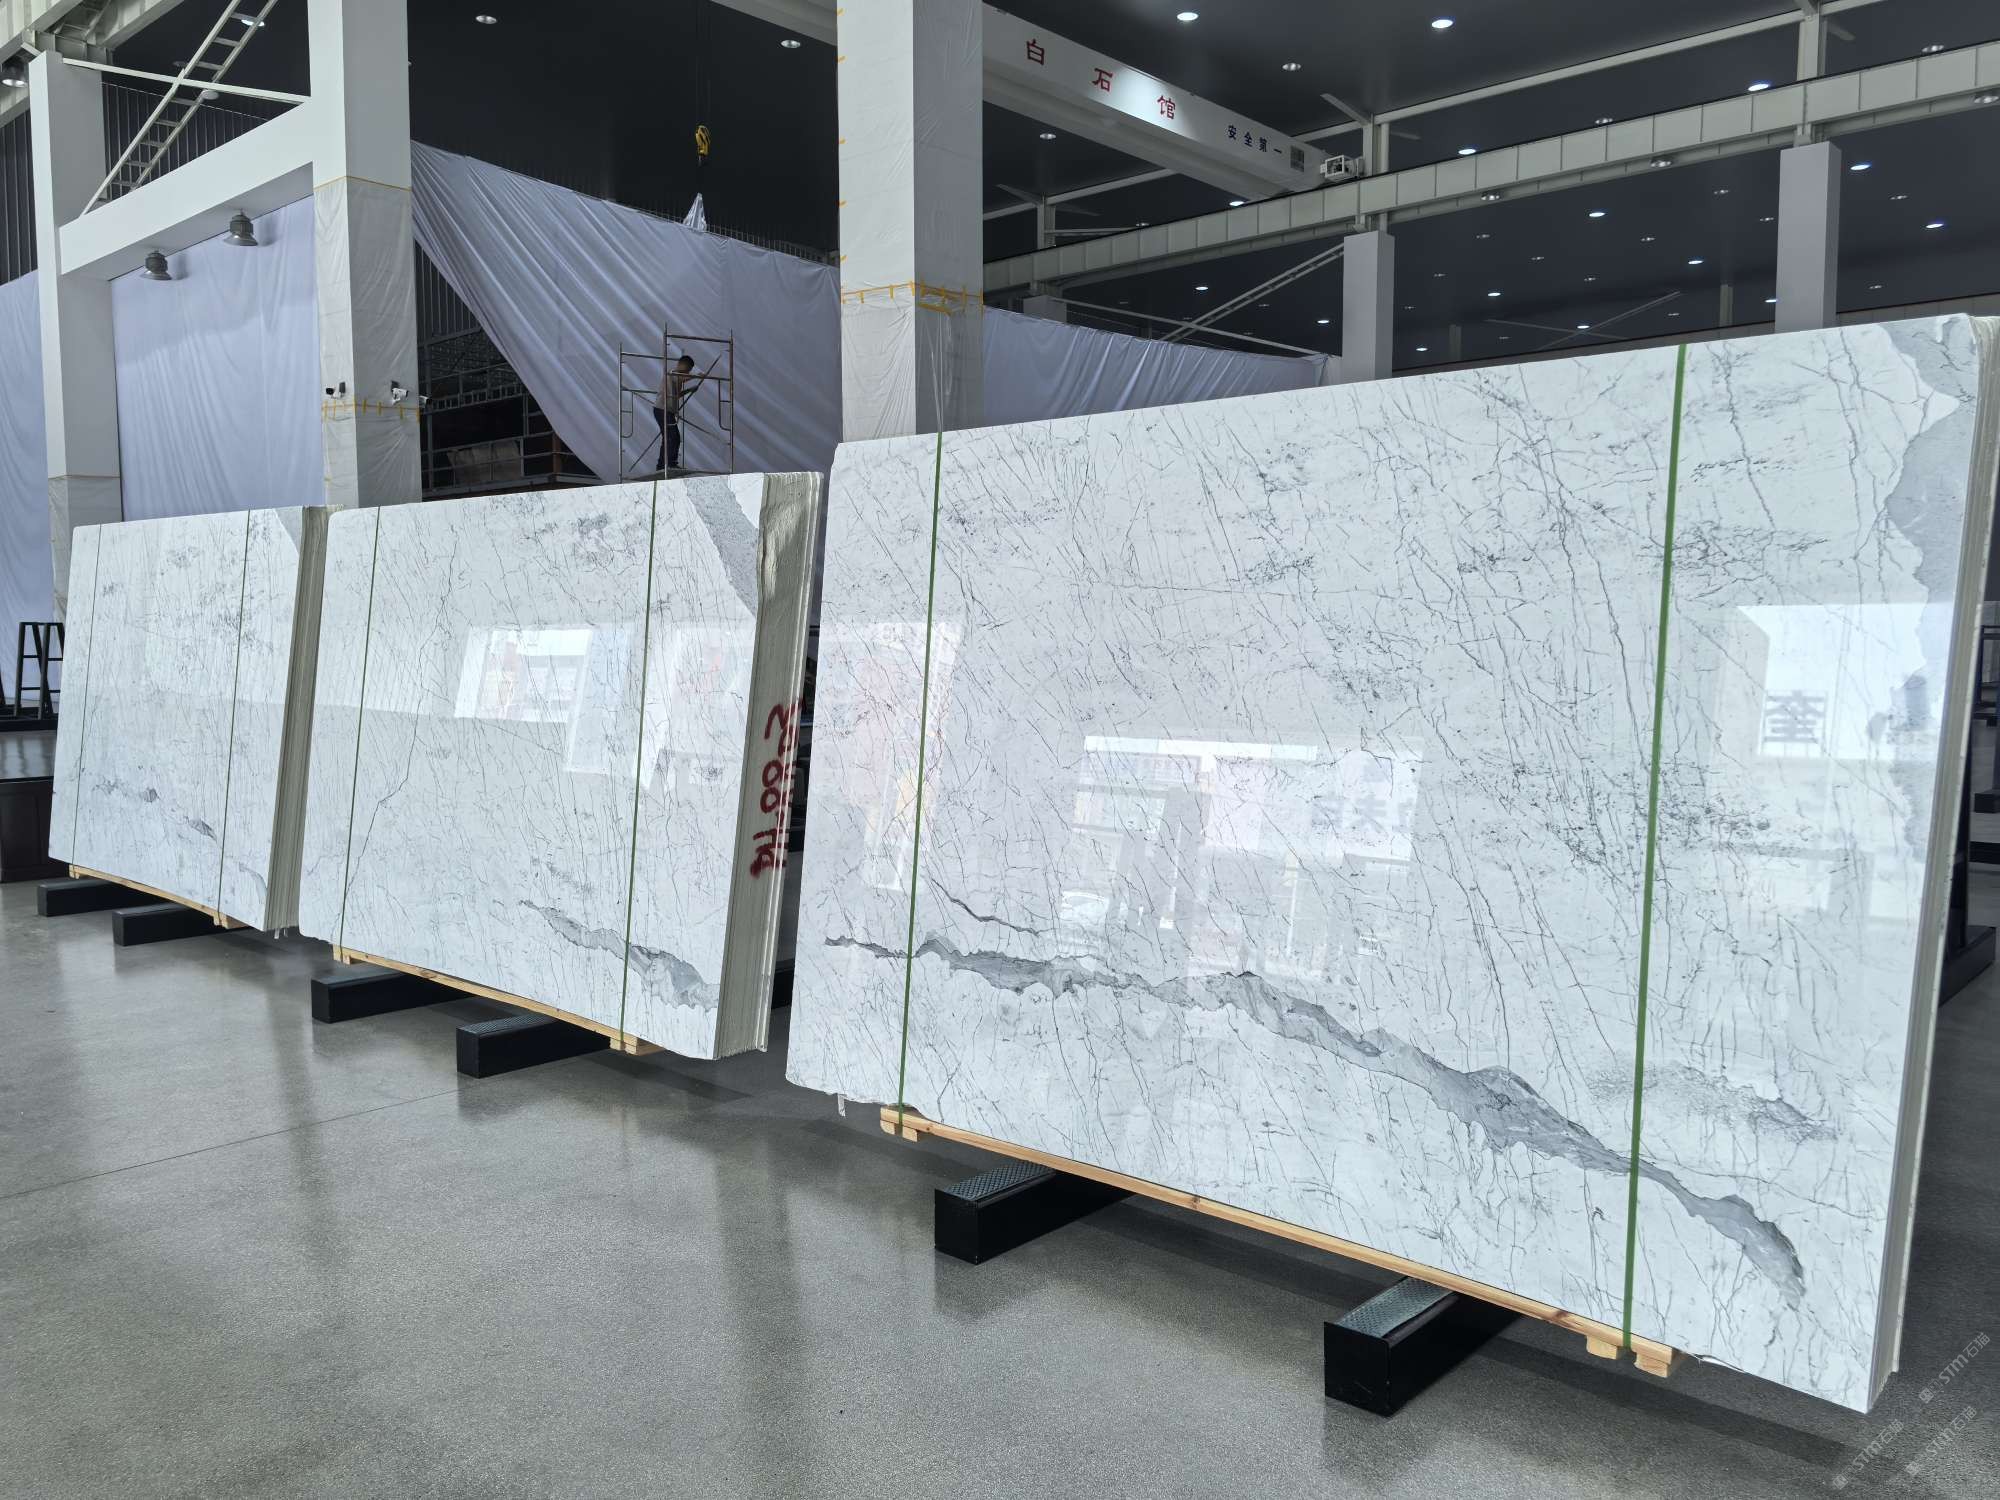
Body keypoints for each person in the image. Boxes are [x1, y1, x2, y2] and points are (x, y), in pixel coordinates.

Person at [652, 349, 700, 472]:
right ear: (681, 364)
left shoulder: (677, 377)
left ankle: (662, 465)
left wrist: (690, 390)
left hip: (665, 410)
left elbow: (677, 395)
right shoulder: (672, 373)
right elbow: (680, 378)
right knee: (673, 436)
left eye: (689, 370)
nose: (688, 372)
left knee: (669, 437)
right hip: (662, 409)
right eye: (687, 369)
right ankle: (670, 464)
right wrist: (696, 376)